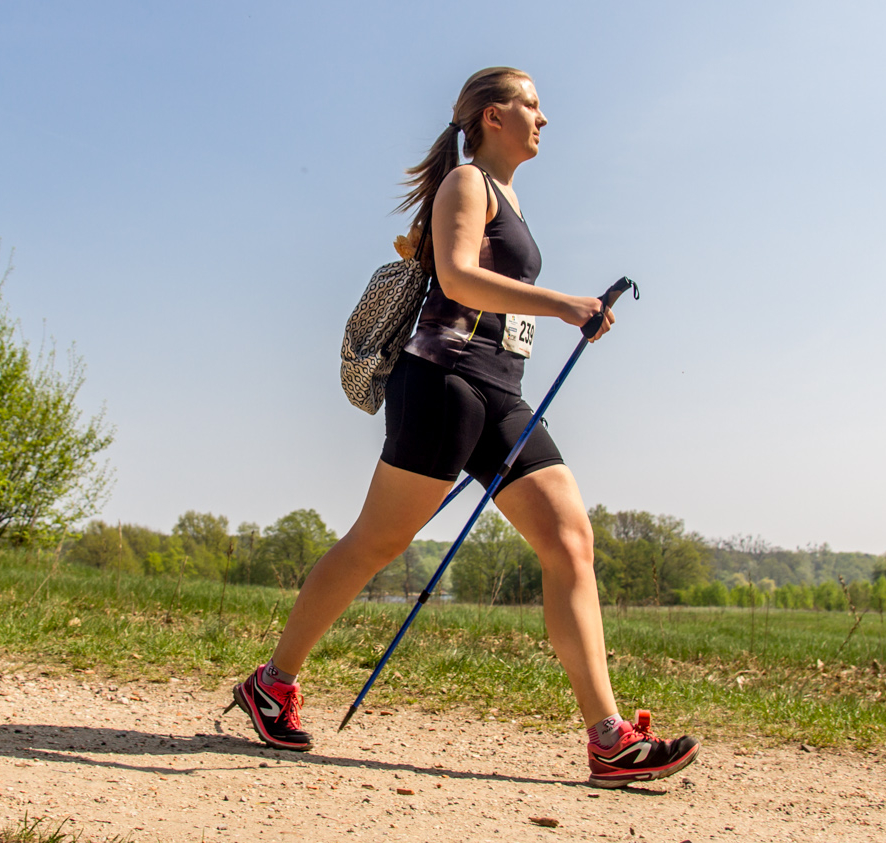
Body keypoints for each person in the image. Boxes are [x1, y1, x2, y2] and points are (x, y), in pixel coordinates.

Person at [228, 67, 700, 788]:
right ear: (491, 117)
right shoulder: (467, 183)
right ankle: (272, 682)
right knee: (376, 542)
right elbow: (455, 278)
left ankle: (608, 738)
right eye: (531, 104)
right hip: (442, 385)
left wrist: (558, 312)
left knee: (570, 539)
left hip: (503, 393)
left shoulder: (508, 197)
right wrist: (564, 304)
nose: (544, 117)